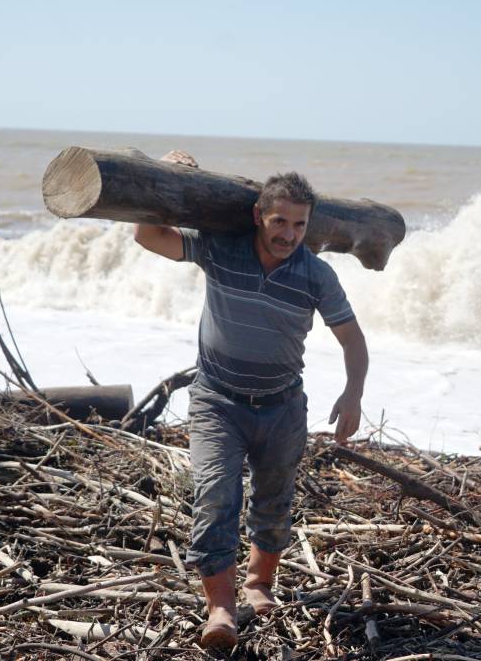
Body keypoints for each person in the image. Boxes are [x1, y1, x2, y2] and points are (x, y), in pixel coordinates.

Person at [133, 151, 369, 648]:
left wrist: (353, 394)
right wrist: (164, 176)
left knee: (274, 501)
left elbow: (353, 339)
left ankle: (260, 584)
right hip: (218, 401)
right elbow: (147, 236)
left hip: (283, 406)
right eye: (279, 221)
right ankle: (221, 607)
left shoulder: (315, 274)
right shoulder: (222, 248)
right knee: (215, 496)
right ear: (260, 215)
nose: (288, 234)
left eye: (300, 225)